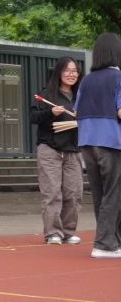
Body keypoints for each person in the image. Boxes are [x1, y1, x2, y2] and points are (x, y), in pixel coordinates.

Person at [75, 33, 121, 260]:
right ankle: (105, 244)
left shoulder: (86, 80)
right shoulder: (118, 77)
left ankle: (112, 240)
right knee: (114, 193)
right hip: (111, 140)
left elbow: (77, 110)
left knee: (100, 194)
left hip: (86, 141)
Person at [32, 57, 83, 245]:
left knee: (74, 193)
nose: (71, 74)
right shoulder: (47, 94)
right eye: (67, 70)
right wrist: (50, 113)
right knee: (52, 192)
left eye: (75, 71)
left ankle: (68, 232)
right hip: (50, 148)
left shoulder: (81, 96)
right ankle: (53, 233)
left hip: (73, 149)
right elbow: (33, 117)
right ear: (59, 73)